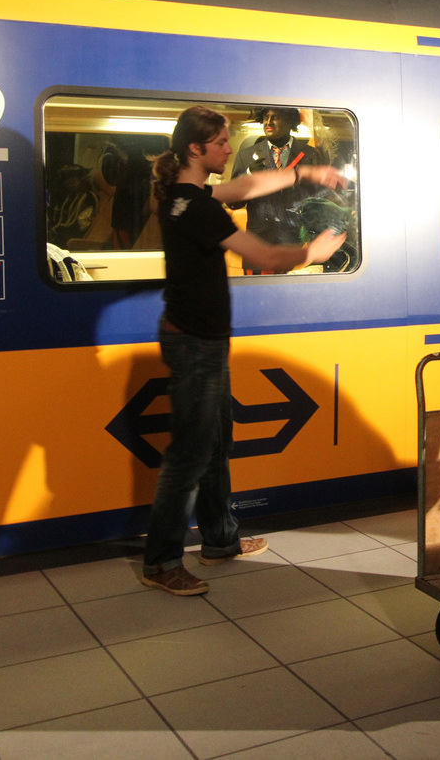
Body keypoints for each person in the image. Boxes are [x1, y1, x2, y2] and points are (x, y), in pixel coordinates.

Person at [143, 105, 347, 596]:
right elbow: (266, 255)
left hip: (201, 339)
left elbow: (247, 187)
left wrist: (304, 173)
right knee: (189, 455)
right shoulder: (197, 207)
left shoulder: (184, 194)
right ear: (196, 148)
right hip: (195, 343)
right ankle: (161, 561)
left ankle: (219, 540)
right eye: (220, 142)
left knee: (215, 445)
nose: (229, 149)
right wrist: (313, 253)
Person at [229, 107, 327, 270]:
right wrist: (248, 177)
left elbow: (319, 199)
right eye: (265, 117)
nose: (268, 122)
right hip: (257, 245)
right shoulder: (246, 156)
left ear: (290, 121)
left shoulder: (310, 155)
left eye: (275, 117)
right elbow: (233, 203)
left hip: (294, 244)